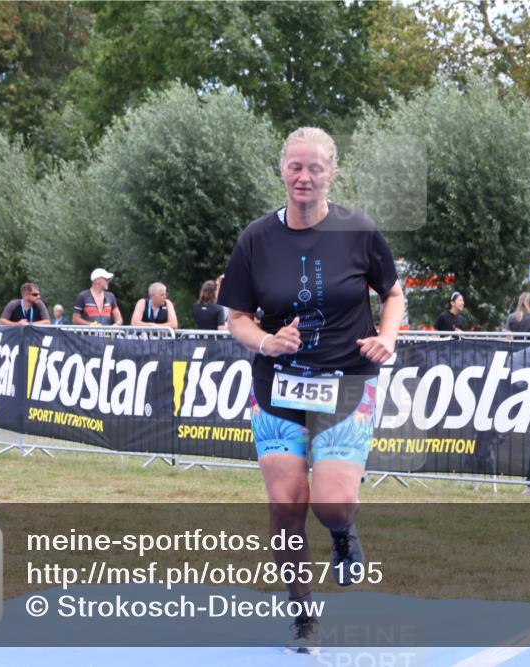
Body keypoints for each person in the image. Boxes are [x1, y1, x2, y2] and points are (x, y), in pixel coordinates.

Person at [217, 127, 404, 654]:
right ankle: (303, 616)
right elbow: (236, 317)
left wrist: (387, 337)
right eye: (295, 167)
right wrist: (267, 341)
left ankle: (343, 533)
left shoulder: (359, 230)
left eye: (315, 168)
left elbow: (392, 293)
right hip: (277, 386)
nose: (304, 177)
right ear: (282, 170)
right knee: (285, 504)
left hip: (345, 381)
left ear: (332, 173)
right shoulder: (256, 238)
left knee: (332, 504)